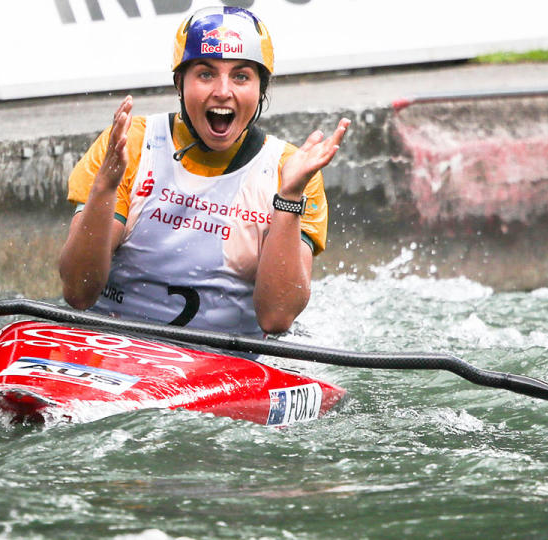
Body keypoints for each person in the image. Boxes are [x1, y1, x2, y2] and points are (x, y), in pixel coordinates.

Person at [59, 6, 350, 338]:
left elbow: (276, 318)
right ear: (179, 83)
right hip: (116, 346)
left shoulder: (292, 170)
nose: (223, 91)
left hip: (229, 365)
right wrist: (105, 188)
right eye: (206, 74)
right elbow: (78, 293)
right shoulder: (130, 145)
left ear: (260, 90)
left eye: (241, 76)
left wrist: (288, 199)